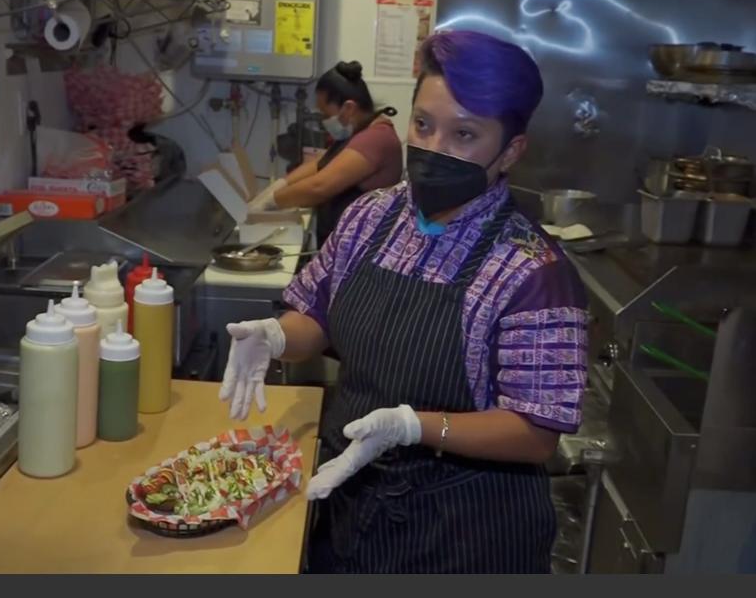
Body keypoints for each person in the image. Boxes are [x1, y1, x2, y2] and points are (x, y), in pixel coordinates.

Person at [219, 30, 589, 573]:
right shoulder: (373, 216)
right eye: (423, 124)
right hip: (351, 502)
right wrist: (276, 337)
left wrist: (415, 427)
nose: (435, 149)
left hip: (464, 534)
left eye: (464, 134)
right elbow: (316, 314)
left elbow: (537, 432)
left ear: (511, 150)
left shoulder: (536, 271)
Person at [251, 61, 403, 243]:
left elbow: (319, 186)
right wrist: (276, 188)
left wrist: (269, 203)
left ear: (348, 108)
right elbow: (317, 164)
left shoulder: (376, 139)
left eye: (325, 114)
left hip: (360, 250)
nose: (323, 120)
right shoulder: (358, 130)